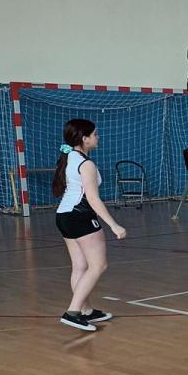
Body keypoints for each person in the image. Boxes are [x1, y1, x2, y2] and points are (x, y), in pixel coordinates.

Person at [53, 119, 127, 331]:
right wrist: (114, 225)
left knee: (80, 266)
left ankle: (85, 310)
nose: (98, 137)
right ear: (84, 139)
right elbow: (93, 199)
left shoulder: (71, 157)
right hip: (80, 216)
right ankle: (73, 312)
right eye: (95, 134)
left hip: (64, 215)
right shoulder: (86, 164)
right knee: (98, 265)